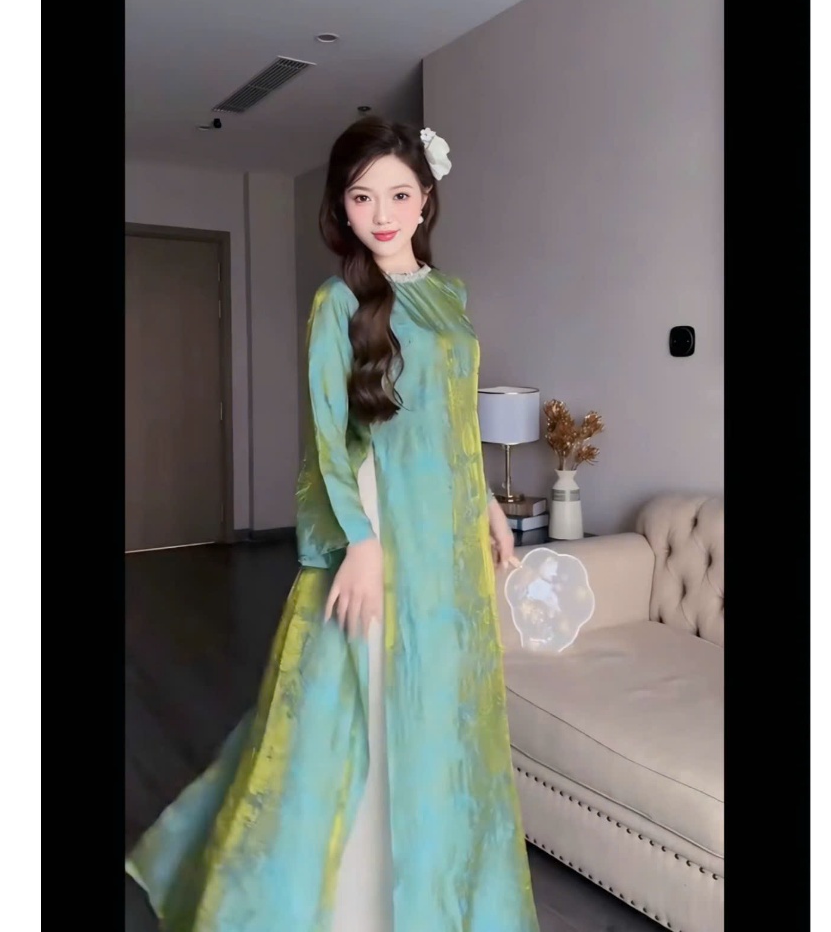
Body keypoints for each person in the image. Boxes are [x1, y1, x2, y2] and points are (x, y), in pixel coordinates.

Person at [125, 116, 541, 932]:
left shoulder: (451, 297)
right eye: (361, 197)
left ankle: (440, 897)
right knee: (355, 706)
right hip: (379, 522)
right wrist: (360, 541)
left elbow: (453, 418)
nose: (381, 214)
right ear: (341, 206)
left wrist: (488, 501)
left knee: (443, 707)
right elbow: (327, 436)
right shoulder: (338, 301)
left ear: (426, 200)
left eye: (398, 195)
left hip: (450, 535)